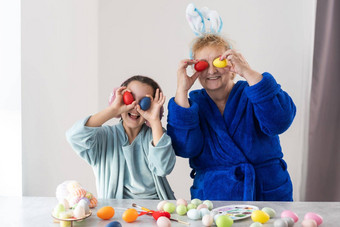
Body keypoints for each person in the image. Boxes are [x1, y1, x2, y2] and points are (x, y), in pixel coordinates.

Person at [167, 34, 296, 201]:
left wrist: (247, 71)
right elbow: (185, 149)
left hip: (265, 192)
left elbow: (280, 122)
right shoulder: (192, 105)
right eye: (203, 64)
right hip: (214, 196)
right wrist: (181, 91)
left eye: (217, 62)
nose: (211, 71)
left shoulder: (253, 91)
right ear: (195, 69)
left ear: (231, 63)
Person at [66, 75, 176, 200]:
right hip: (115, 211)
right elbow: (74, 136)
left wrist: (155, 120)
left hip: (155, 209)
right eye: (130, 99)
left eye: (143, 102)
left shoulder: (156, 136)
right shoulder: (104, 137)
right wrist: (113, 109)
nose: (135, 107)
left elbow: (162, 168)